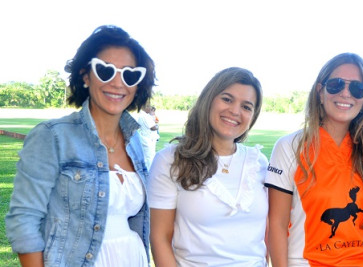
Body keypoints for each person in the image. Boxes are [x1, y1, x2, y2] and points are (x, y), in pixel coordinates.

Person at [4, 25, 156, 266]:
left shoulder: (135, 140)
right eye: (105, 71)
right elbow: (24, 220)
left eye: (129, 74)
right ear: (86, 75)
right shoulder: (52, 136)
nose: (118, 83)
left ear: (138, 84)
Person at [266, 52, 363, 267]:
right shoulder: (290, 146)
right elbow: (276, 223)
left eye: (357, 88)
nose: (345, 93)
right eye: (336, 84)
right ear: (320, 91)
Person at [148, 67, 268, 266]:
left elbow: (266, 234)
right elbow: (160, 238)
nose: (235, 111)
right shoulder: (170, 160)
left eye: (247, 106)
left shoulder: (259, 162)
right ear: (209, 100)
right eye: (227, 99)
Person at [138, 102, 160, 169]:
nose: (150, 108)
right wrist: (157, 126)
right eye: (149, 106)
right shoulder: (145, 116)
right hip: (148, 139)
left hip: (145, 137)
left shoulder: (143, 115)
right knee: (149, 157)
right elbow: (153, 127)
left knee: (147, 156)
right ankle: (149, 171)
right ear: (145, 107)